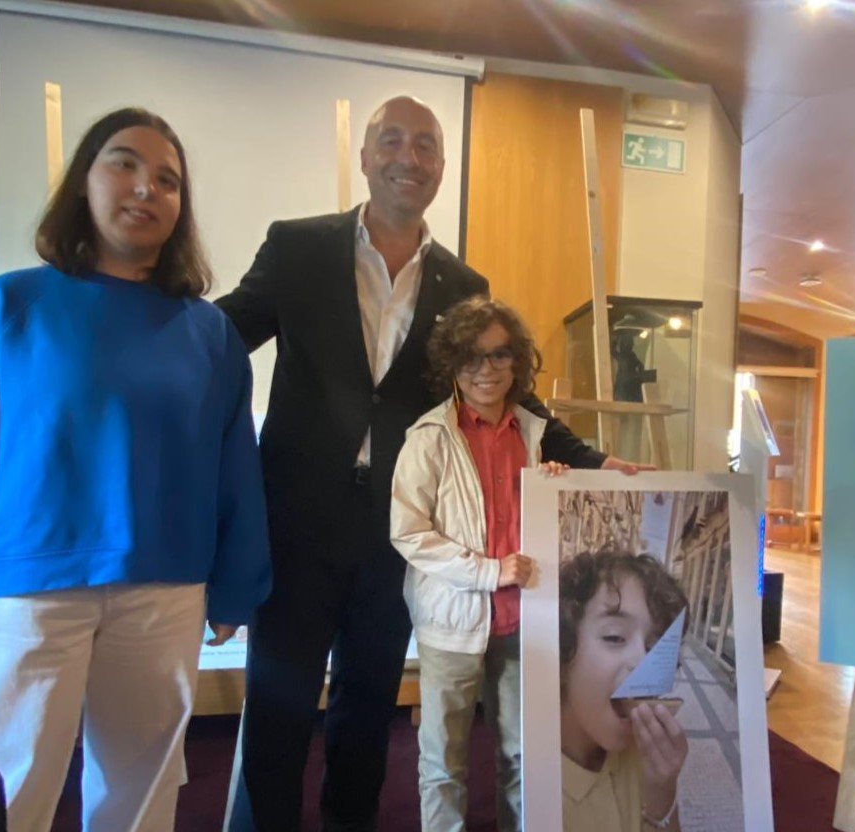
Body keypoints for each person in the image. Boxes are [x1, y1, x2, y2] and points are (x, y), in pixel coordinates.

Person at [216, 95, 640, 831]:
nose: (407, 158)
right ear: (365, 156)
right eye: (391, 141)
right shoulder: (296, 247)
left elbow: (517, 397)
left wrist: (594, 458)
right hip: (294, 522)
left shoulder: (462, 286)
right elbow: (219, 340)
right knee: (279, 704)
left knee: (367, 705)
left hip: (397, 531)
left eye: (425, 146)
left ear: (441, 168)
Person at [0, 107, 272, 832]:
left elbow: (233, 473)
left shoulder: (210, 333)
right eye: (124, 163)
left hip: (165, 594)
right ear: (84, 182)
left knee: (141, 797)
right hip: (30, 594)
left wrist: (236, 587)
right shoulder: (12, 305)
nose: (146, 187)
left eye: (167, 179)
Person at [391, 297, 560, 831]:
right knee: (444, 762)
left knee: (523, 755)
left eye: (499, 354)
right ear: (452, 364)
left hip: (522, 621)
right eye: (471, 357)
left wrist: (557, 489)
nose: (486, 369)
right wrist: (488, 572)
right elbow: (408, 532)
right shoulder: (429, 438)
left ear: (517, 361)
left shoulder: (533, 434)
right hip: (451, 623)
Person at [558, 550, 689, 832]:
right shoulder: (528, 785)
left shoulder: (643, 754)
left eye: (653, 648)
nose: (643, 662)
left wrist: (663, 795)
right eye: (615, 637)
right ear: (562, 655)